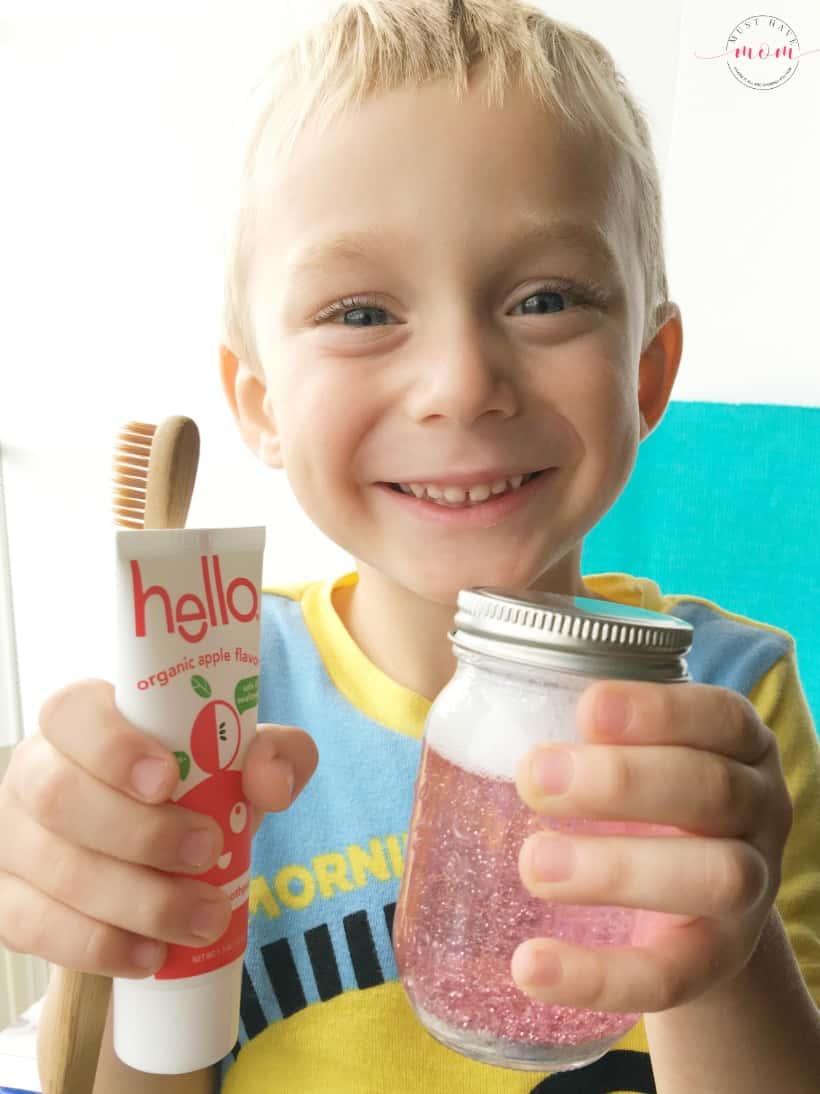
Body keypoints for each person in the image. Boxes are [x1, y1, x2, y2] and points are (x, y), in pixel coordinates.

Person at [2, 2, 819, 1091]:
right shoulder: (215, 699)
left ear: (648, 370)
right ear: (258, 402)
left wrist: (724, 947)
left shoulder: (731, 700)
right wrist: (115, 919)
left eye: (543, 298)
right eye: (358, 311)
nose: (459, 384)